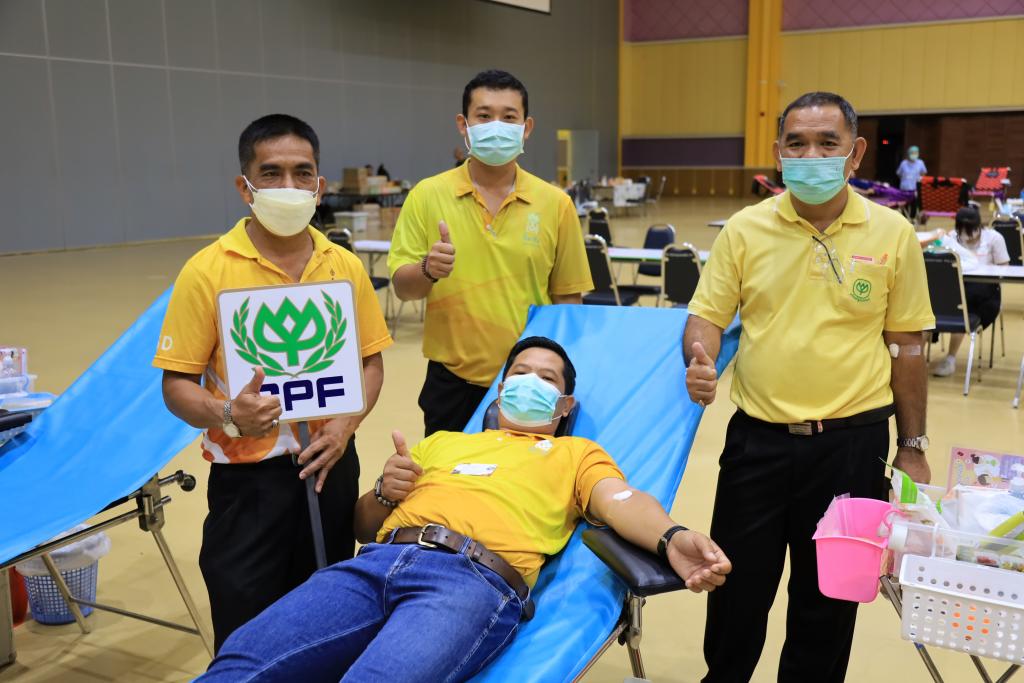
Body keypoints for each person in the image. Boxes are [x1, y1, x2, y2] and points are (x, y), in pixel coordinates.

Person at [198, 336, 731, 682]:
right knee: (243, 660)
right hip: (373, 566)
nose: (530, 382)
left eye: (547, 379)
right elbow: (362, 525)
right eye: (519, 372)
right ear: (500, 389)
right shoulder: (443, 442)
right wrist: (385, 491)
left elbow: (621, 501)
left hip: (469, 580)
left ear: (565, 404)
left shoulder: (574, 453)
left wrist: (671, 537)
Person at [684, 92, 935, 683]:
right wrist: (700, 355)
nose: (811, 156)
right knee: (735, 591)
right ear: (778, 153)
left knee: (828, 605)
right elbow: (706, 315)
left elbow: (908, 347)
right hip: (758, 444)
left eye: (828, 143)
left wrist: (913, 446)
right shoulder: (745, 229)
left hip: (853, 447)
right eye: (797, 144)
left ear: (856, 153)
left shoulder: (892, 233)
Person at [153, 114, 393, 651]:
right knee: (247, 629)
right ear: (245, 187)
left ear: (319, 185)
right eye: (272, 172)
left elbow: (371, 365)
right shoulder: (207, 271)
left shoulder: (344, 265)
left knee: (330, 616)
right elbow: (177, 386)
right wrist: (228, 414)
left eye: (302, 173)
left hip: (331, 465)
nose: (289, 185)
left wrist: (344, 428)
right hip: (248, 482)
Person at [388, 70, 593, 436]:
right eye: (484, 116)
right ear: (463, 124)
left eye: (509, 117)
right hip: (453, 383)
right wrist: (428, 269)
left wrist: (557, 376)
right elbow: (404, 289)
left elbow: (568, 301)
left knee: (529, 473)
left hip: (531, 388)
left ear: (526, 127)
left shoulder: (555, 204)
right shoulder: (427, 195)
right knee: (449, 471)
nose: (496, 126)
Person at [931, 206, 1010, 377]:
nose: (967, 236)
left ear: (979, 226)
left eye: (971, 231)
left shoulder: (994, 238)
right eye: (962, 231)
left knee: (963, 305)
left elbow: (1004, 269)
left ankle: (950, 359)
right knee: (931, 303)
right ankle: (914, 358)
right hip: (956, 290)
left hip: (985, 295)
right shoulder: (952, 238)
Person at [897, 145, 927, 218]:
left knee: (914, 205)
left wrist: (918, 179)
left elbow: (924, 173)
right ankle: (904, 219)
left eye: (915, 153)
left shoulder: (920, 163)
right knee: (905, 206)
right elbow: (899, 174)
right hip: (905, 188)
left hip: (915, 188)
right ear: (909, 153)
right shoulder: (904, 163)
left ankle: (912, 219)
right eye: (912, 153)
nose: (914, 154)